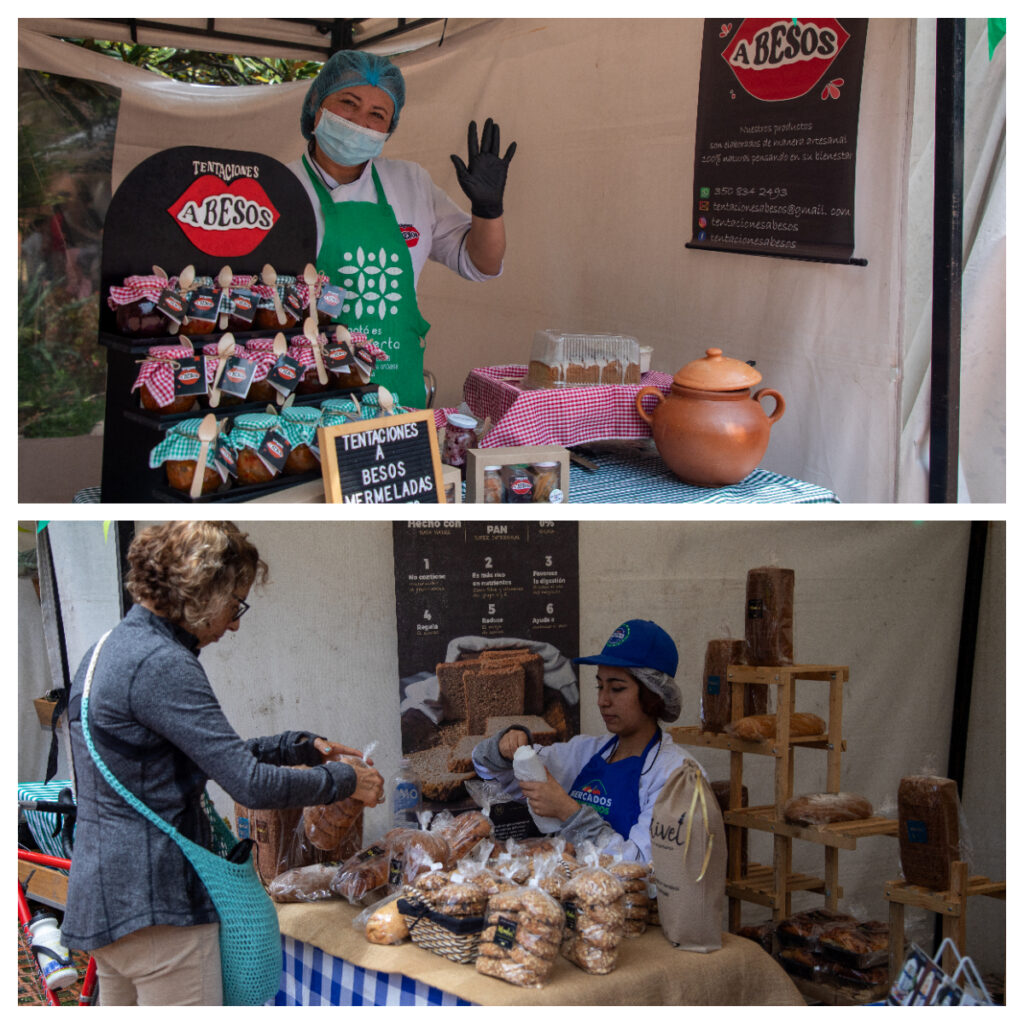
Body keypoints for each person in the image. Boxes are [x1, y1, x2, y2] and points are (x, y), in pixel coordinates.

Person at [61, 521, 385, 1006]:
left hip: (107, 901)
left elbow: (190, 758)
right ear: (203, 589)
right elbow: (248, 784)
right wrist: (345, 779)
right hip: (158, 910)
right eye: (236, 603)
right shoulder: (160, 662)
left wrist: (296, 745)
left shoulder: (106, 651)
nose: (235, 622)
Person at [288, 49, 516, 408]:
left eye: (378, 114)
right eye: (349, 102)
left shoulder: (411, 183)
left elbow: (481, 264)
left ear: (388, 129)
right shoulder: (279, 188)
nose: (361, 120)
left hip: (393, 388)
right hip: (304, 394)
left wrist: (488, 210)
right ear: (316, 103)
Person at [472, 619, 702, 863]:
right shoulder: (585, 752)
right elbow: (486, 767)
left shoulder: (676, 776)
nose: (603, 700)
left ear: (653, 694)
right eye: (600, 686)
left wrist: (567, 810)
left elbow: (644, 868)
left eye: (617, 688)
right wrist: (506, 747)